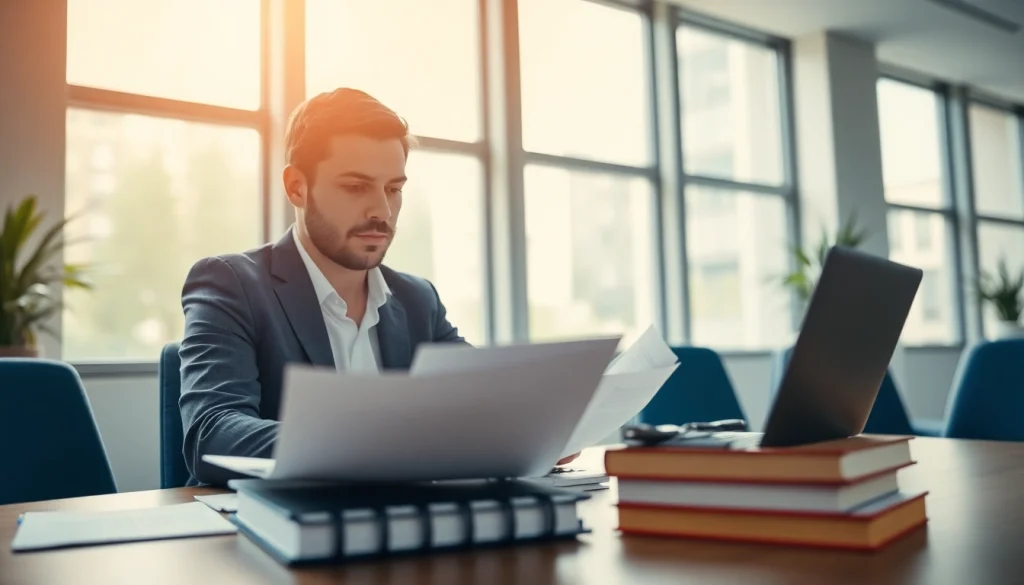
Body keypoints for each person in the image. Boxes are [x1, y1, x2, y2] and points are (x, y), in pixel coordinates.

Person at [177, 89, 466, 485]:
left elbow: (480, 404)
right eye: (355, 187)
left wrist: (532, 428)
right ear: (297, 187)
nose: (382, 211)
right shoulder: (230, 284)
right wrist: (374, 443)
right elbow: (213, 433)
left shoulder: (419, 300)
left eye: (393, 189)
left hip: (403, 526)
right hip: (273, 531)